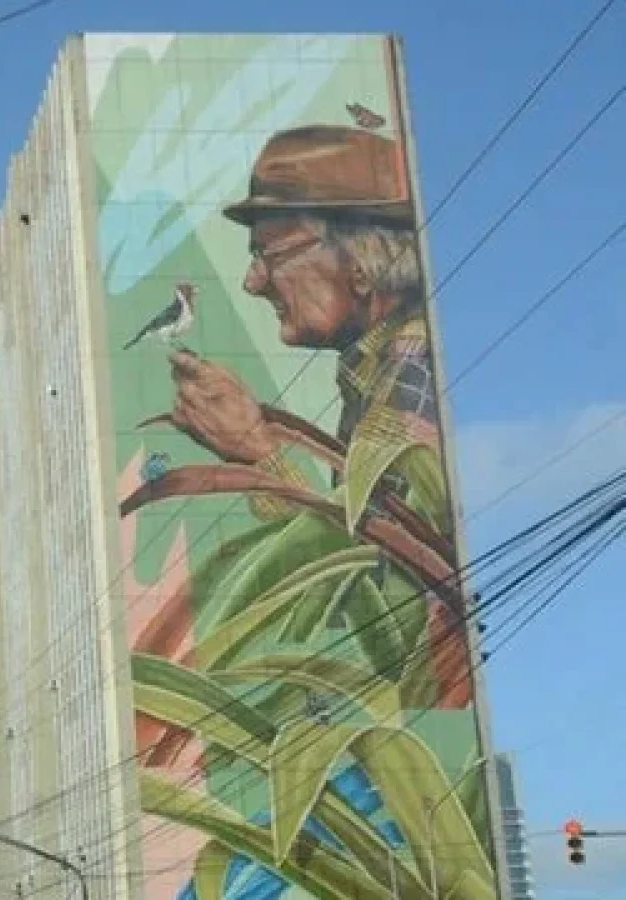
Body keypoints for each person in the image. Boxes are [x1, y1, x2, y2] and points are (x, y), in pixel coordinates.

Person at [163, 124, 472, 708]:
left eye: (269, 254)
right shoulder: (375, 371)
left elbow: (387, 610)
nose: (254, 282)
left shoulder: (408, 387)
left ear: (359, 262)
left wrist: (261, 453)